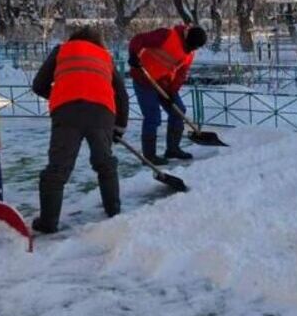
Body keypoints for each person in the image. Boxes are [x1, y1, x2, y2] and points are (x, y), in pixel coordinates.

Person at [30, 26, 129, 234]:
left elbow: (38, 85)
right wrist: (119, 127)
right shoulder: (105, 56)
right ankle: (113, 209)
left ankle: (48, 222)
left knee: (58, 169)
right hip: (102, 112)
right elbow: (121, 94)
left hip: (67, 113)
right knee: (105, 163)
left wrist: (62, 95)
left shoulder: (61, 51)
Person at [127, 23, 208, 165]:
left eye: (194, 47)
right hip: (144, 79)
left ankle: (172, 149)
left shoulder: (189, 54)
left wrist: (172, 91)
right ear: (187, 37)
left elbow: (181, 74)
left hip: (163, 84)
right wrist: (133, 55)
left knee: (178, 110)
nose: (191, 49)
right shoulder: (166, 35)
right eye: (191, 45)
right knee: (152, 117)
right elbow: (138, 39)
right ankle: (149, 156)